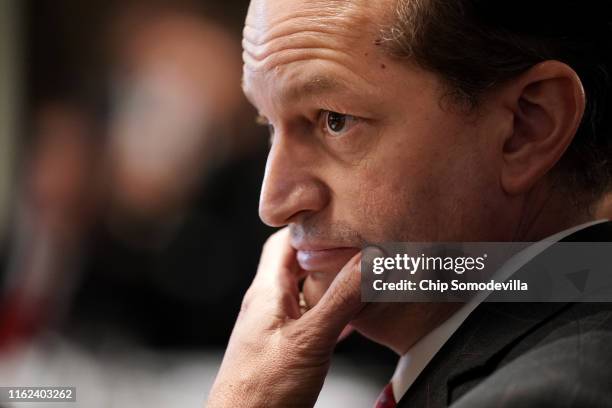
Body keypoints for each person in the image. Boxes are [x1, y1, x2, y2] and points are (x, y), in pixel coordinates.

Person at [207, 0, 612, 407]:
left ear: (526, 129)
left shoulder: (546, 396)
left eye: (335, 120)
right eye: (270, 124)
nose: (273, 204)